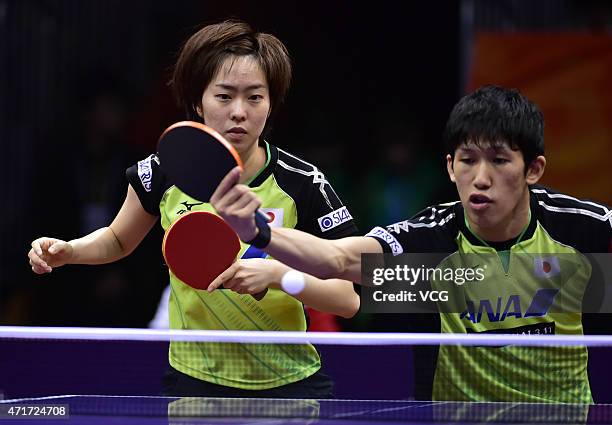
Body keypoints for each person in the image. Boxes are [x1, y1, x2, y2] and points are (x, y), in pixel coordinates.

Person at [210, 84, 612, 403]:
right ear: (451, 168)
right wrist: (257, 231)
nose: (482, 177)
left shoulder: (582, 231)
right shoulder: (430, 243)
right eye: (468, 160)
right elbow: (336, 258)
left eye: (500, 160)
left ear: (534, 169)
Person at [27, 20, 360, 398]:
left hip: (290, 383)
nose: (239, 111)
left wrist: (277, 275)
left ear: (272, 103)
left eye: (255, 97)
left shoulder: (303, 183)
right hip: (193, 382)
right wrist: (71, 250)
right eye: (224, 96)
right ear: (197, 100)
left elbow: (347, 299)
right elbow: (118, 239)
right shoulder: (163, 171)